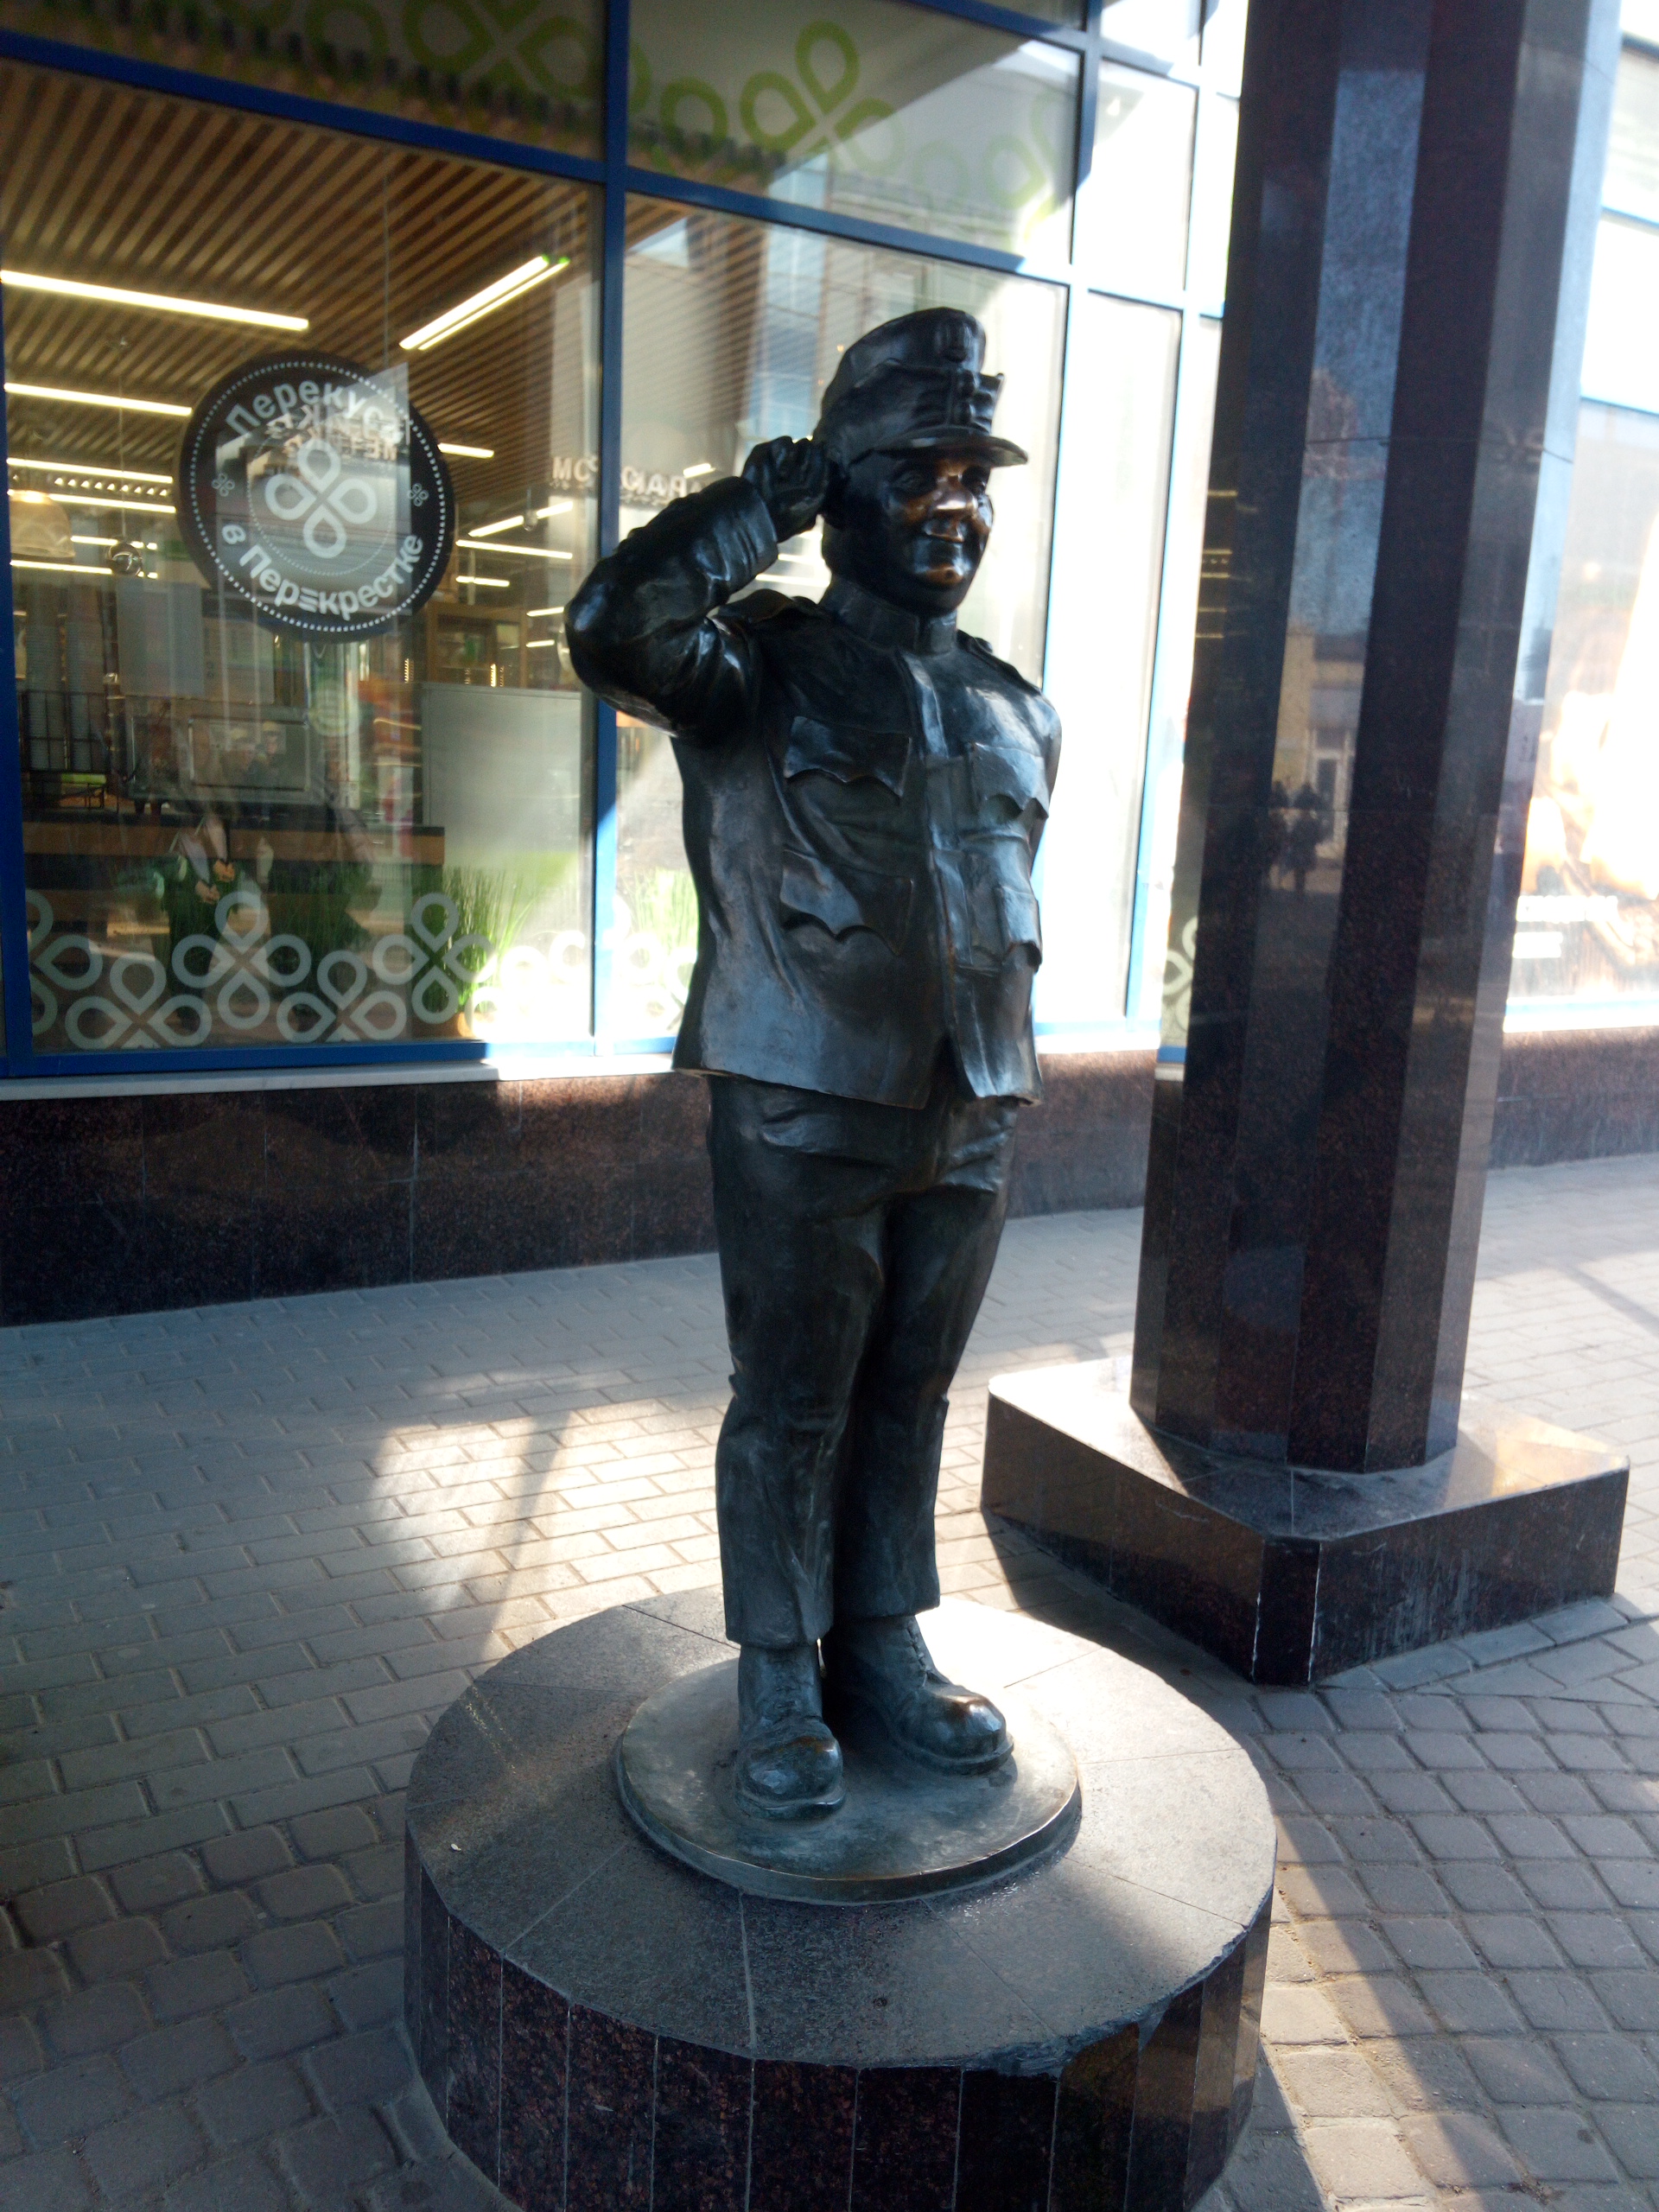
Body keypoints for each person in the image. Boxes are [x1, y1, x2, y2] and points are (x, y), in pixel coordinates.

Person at [567, 308, 1061, 1818]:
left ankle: (881, 1641)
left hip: (974, 1103)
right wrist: (749, 512)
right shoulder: (756, 668)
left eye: (974, 479)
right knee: (794, 1400)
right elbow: (612, 628)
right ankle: (781, 1666)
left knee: (911, 1389)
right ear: (840, 486)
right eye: (916, 474)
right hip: (805, 1099)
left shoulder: (1015, 704)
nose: (954, 508)